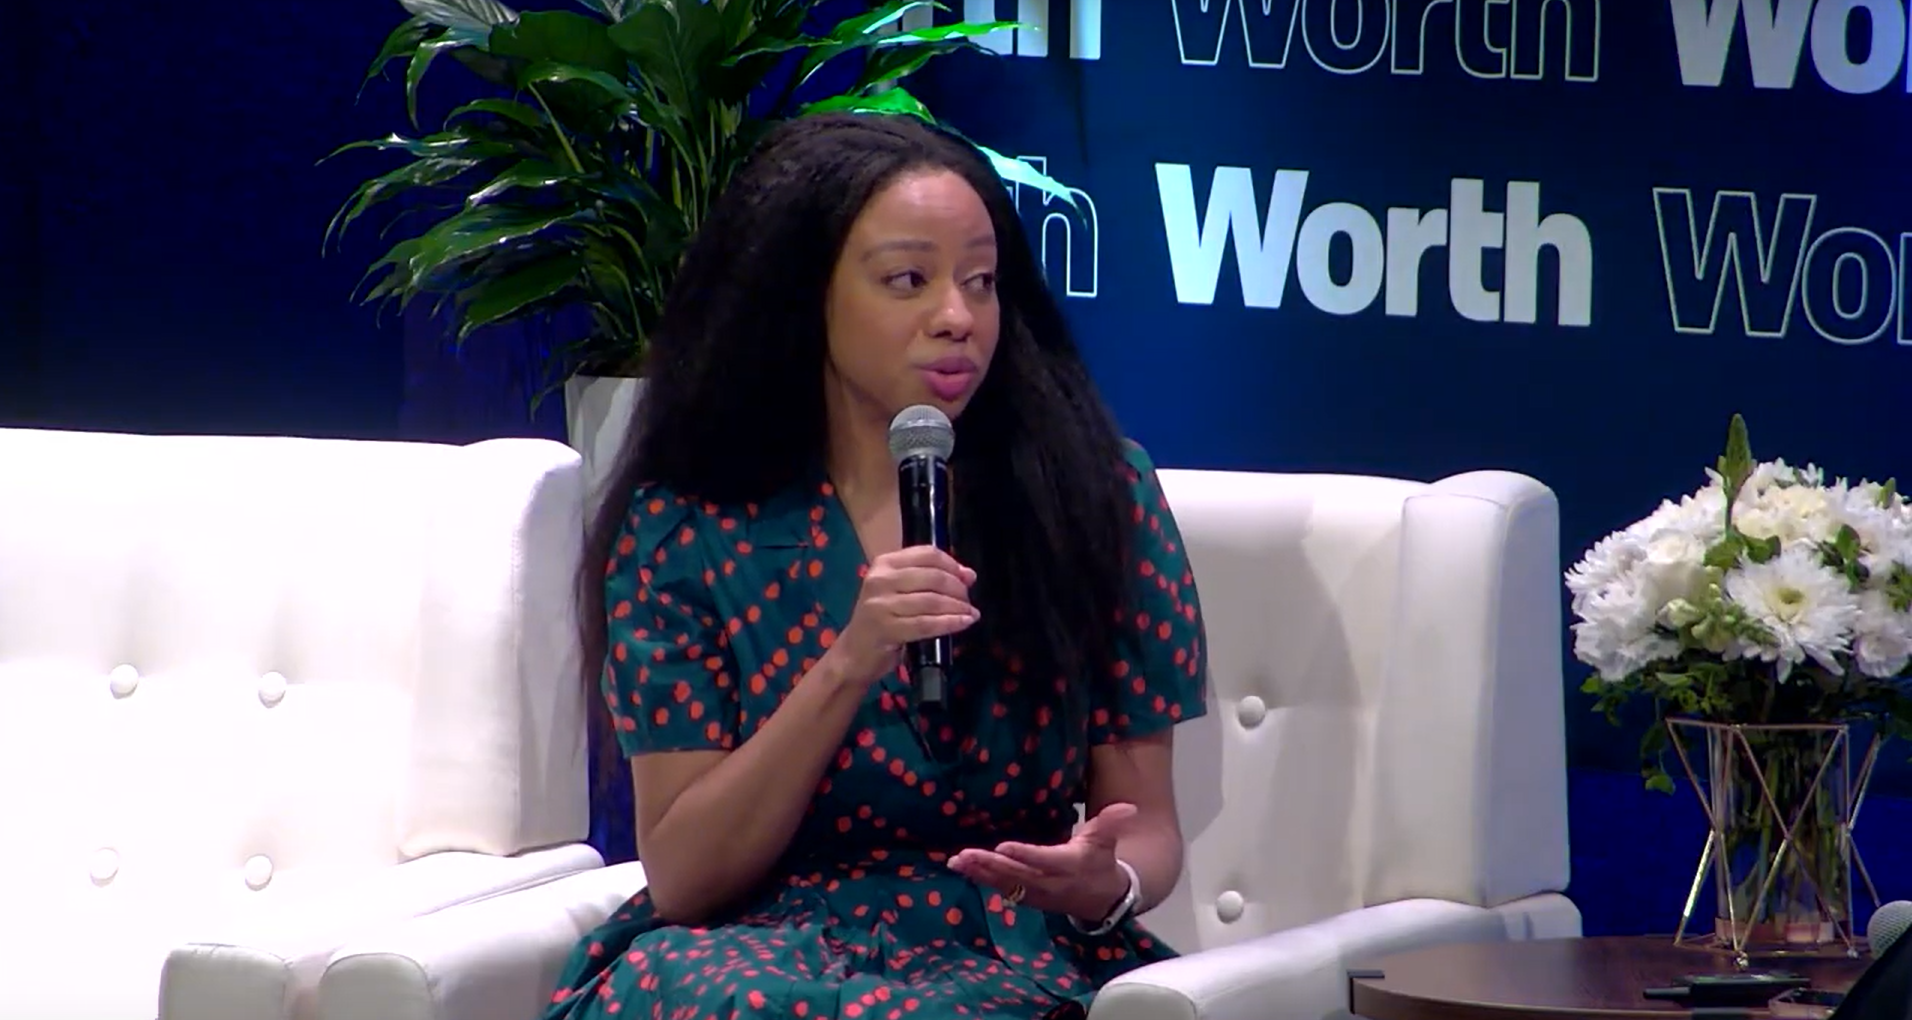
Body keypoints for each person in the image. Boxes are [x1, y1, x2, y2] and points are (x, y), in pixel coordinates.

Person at [543, 112, 1209, 1020]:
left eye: (981, 283)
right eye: (908, 281)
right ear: (805, 294)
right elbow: (686, 877)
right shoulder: (688, 524)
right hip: (753, 946)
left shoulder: (1095, 494)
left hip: (1011, 947)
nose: (957, 318)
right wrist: (850, 663)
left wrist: (1108, 884)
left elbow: (1148, 826)